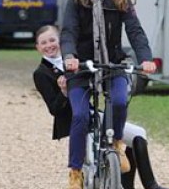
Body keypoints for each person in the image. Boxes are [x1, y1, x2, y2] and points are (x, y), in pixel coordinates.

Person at [60, 0, 157, 187]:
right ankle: (75, 170)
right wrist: (70, 57)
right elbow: (68, 32)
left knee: (120, 102)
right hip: (82, 68)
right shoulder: (76, 0)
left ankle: (114, 145)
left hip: (113, 65)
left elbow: (136, 32)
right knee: (81, 116)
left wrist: (145, 59)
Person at [33, 25, 166, 189]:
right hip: (72, 119)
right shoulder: (41, 73)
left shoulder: (79, 58)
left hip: (92, 112)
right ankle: (80, 174)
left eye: (52, 40)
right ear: (38, 48)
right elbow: (54, 109)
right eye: (43, 43)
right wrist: (64, 91)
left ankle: (139, 184)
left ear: (61, 40)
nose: (49, 45)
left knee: (138, 134)